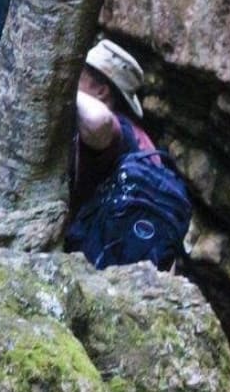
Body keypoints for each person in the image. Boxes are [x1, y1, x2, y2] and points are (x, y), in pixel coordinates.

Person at [67, 38, 191, 270]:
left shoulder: (118, 132)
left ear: (102, 91)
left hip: (96, 263)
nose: (73, 78)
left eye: (78, 76)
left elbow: (97, 121)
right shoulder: (142, 138)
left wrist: (60, 86)